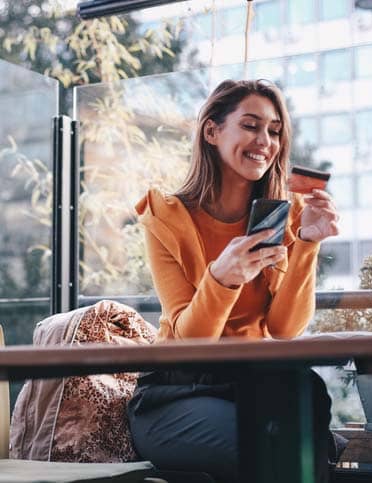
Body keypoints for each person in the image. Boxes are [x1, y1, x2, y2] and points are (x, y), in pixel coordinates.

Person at [127, 79, 342, 483]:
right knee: (276, 447)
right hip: (175, 393)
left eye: (274, 130)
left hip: (250, 383)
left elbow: (284, 328)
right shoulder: (167, 217)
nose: (265, 140)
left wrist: (308, 243)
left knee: (304, 401)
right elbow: (191, 342)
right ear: (212, 131)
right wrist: (221, 280)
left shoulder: (285, 215)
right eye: (250, 125)